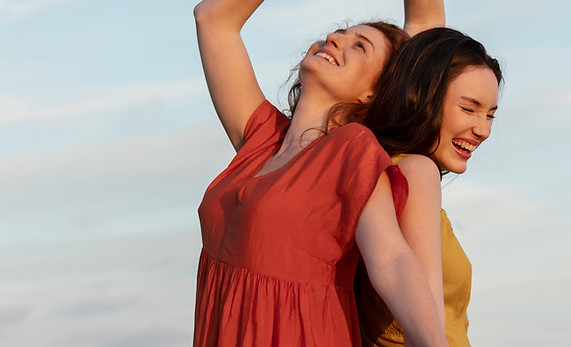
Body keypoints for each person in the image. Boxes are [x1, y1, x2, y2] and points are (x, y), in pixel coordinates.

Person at [192, 0, 449, 346]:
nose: (334, 38)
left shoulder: (352, 149)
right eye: (339, 33)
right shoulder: (261, 137)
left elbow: (390, 259)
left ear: (373, 92)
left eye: (360, 45)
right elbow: (213, 18)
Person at [354, 27, 504, 347]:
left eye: (490, 115)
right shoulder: (414, 172)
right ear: (423, 96)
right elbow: (430, 322)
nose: (483, 129)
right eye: (469, 108)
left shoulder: (375, 170)